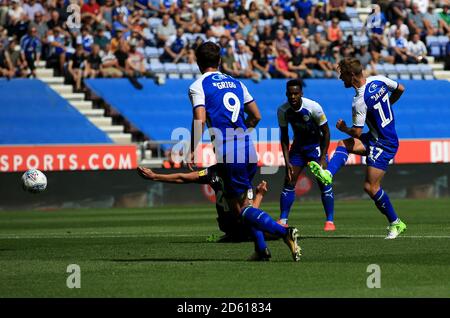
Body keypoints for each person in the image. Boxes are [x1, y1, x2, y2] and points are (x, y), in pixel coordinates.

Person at [187, 41, 301, 261]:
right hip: (249, 149)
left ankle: (284, 232)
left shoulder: (198, 86)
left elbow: (199, 119)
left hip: (229, 154)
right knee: (244, 204)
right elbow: (256, 116)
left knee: (240, 211)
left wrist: (191, 148)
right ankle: (261, 250)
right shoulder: (236, 83)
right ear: (219, 61)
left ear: (198, 62)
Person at [308, 58, 407, 240]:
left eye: (342, 75)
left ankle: (396, 223)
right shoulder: (379, 80)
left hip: (383, 143)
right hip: (379, 136)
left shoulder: (359, 100)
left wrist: (344, 128)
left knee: (370, 187)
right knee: (342, 144)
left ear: (351, 75)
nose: (340, 78)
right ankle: (328, 174)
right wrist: (387, 105)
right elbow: (401, 88)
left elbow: (357, 132)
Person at [136, 166, 275, 245]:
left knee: (269, 226)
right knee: (277, 228)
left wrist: (155, 176)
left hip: (226, 225)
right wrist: (260, 194)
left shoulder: (213, 171)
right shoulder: (241, 174)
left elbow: (183, 177)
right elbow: (249, 214)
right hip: (241, 226)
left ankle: (233, 236)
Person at [278, 79, 335, 231]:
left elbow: (326, 132)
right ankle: (283, 220)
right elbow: (283, 137)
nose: (293, 97)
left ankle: (330, 221)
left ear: (301, 94)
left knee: (324, 182)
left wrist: (323, 156)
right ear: (286, 94)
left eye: (296, 93)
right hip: (298, 149)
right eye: (290, 94)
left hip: (315, 148)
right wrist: (287, 161)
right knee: (289, 181)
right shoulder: (283, 111)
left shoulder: (313, 107)